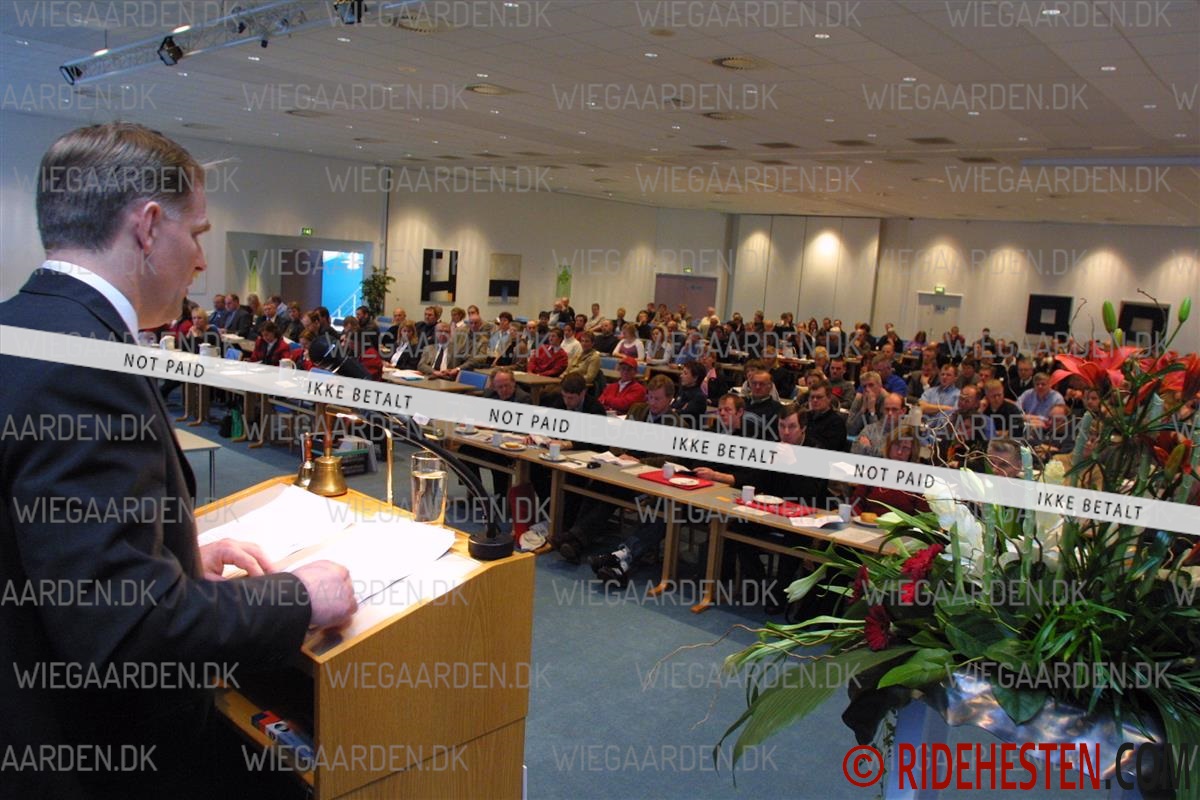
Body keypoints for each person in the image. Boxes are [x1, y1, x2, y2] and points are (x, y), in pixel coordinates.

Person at [0, 123, 356, 799]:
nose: (199, 259)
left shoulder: (23, 326)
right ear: (147, 227)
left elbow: (46, 545)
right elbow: (124, 628)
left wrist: (170, 554)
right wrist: (297, 597)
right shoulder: (86, 366)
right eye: (196, 233)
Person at [852, 426, 930, 516]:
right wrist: (859, 519)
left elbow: (923, 516)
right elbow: (855, 504)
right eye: (896, 445)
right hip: (867, 523)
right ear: (889, 446)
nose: (899, 452)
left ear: (912, 452)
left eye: (905, 448)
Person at [671, 360, 708, 427]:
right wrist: (676, 410)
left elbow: (683, 415)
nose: (681, 375)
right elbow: (672, 407)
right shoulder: (682, 390)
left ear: (695, 378)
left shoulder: (699, 397)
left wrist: (675, 410)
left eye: (685, 373)